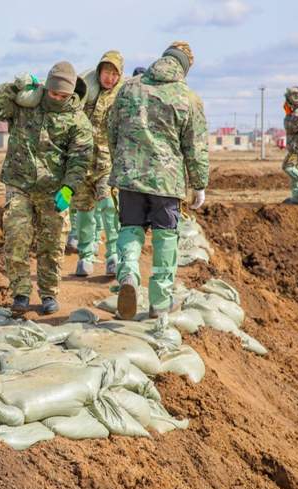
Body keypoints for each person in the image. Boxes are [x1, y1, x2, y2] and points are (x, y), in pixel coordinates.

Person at [108, 41, 209, 320]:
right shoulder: (188, 97)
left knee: (130, 228)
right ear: (185, 67)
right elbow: (195, 146)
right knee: (166, 237)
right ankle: (159, 302)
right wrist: (199, 184)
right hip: (167, 181)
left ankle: (128, 273)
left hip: (130, 177)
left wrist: (122, 161)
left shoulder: (129, 87)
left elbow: (112, 128)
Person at [0, 62, 93, 314]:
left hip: (54, 190)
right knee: (17, 238)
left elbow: (80, 159)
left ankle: (48, 293)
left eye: (62, 96)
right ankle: (20, 293)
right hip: (19, 183)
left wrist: (69, 188)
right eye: (53, 93)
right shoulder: (26, 104)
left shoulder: (77, 120)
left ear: (71, 93)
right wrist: (14, 87)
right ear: (47, 88)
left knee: (52, 244)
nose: (57, 98)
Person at [73, 50, 124, 277]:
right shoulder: (86, 91)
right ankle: (85, 257)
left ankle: (113, 255)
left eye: (114, 74)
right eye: (106, 72)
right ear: (99, 71)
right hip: (82, 162)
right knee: (84, 211)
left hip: (106, 164)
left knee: (110, 209)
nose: (109, 78)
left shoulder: (121, 97)